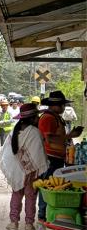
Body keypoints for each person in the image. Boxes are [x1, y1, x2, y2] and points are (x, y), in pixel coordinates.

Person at [0, 102, 48, 230]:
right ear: (32, 118)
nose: (38, 119)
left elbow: (7, 153)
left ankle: (13, 223)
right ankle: (28, 225)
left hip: (16, 170)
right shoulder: (35, 132)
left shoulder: (14, 130)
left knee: (16, 194)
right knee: (31, 197)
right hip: (31, 172)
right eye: (37, 117)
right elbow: (39, 154)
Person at [37, 90, 84, 220]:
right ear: (55, 105)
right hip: (50, 157)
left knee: (52, 185)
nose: (64, 108)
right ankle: (42, 214)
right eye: (62, 105)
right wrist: (70, 135)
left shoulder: (55, 117)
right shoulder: (48, 118)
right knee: (47, 186)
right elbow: (49, 139)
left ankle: (45, 213)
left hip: (57, 156)